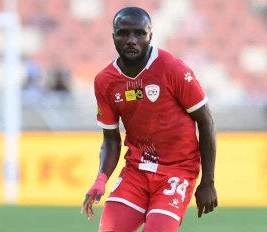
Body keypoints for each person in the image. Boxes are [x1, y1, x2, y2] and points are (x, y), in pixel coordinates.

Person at [81, 7, 218, 232]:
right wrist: (101, 179)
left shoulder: (172, 69)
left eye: (139, 34)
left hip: (177, 170)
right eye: (124, 33)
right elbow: (111, 139)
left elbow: (206, 122)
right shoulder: (105, 81)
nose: (131, 40)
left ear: (150, 36)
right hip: (137, 170)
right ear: (113, 36)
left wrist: (208, 181)